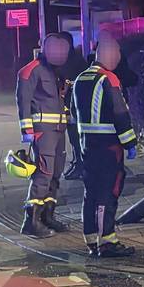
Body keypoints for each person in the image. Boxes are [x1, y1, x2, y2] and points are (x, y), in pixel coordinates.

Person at [71, 33, 137, 258]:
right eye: (117, 53)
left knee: (91, 192)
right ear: (109, 54)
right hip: (109, 147)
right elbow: (120, 113)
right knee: (108, 192)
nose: (119, 58)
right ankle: (106, 241)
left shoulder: (80, 79)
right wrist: (130, 143)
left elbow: (73, 112)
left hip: (86, 146)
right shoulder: (109, 79)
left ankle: (90, 238)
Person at [15, 33, 73, 238]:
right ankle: (30, 222)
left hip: (58, 130)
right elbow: (23, 102)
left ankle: (47, 217)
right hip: (43, 132)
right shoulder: (31, 71)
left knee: (55, 175)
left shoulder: (55, 72)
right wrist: (27, 131)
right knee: (43, 175)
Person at [59, 32, 89, 181]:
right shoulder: (65, 59)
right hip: (68, 104)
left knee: (76, 137)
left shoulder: (75, 60)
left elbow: (76, 80)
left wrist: (66, 86)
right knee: (72, 136)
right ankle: (77, 162)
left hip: (75, 105)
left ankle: (81, 166)